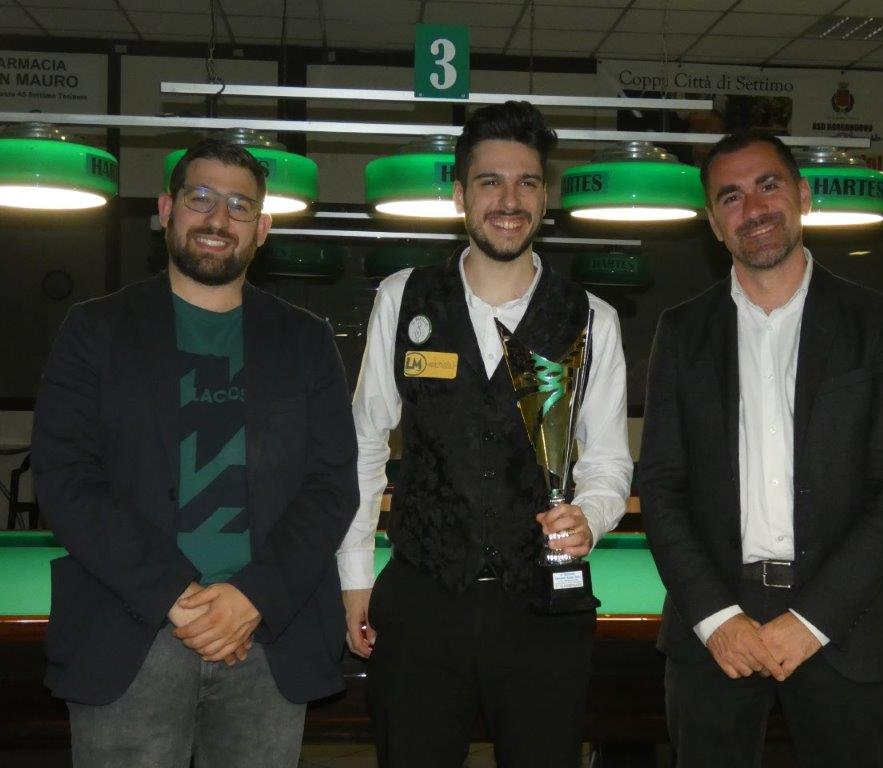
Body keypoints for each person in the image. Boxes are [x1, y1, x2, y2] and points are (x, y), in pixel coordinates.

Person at [32, 138, 359, 768]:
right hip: (131, 632)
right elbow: (67, 479)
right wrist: (176, 597)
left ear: (261, 229)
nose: (218, 219)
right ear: (166, 209)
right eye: (200, 198)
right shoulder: (94, 330)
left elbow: (330, 486)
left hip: (265, 638)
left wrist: (249, 598)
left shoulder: (306, 340)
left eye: (239, 206)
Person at [338, 100, 632, 767]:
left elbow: (608, 460)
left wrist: (591, 515)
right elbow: (364, 442)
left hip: (543, 610)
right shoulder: (403, 298)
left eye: (527, 182)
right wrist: (354, 575)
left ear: (545, 198)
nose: (509, 200)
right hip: (422, 602)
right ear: (459, 195)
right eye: (489, 181)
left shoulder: (593, 319)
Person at [639, 130, 883, 767]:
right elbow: (660, 486)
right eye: (731, 197)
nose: (753, 208)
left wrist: (812, 620)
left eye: (767, 185)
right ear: (714, 224)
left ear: (802, 195)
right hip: (715, 633)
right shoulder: (682, 332)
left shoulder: (878, 324)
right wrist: (716, 618)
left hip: (846, 626)